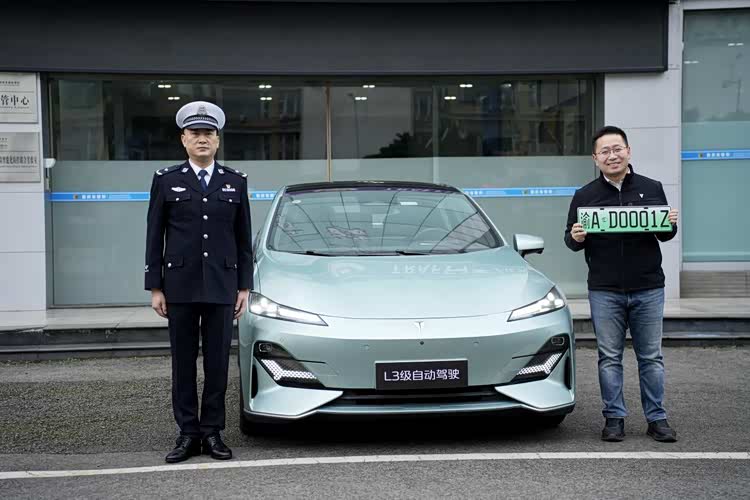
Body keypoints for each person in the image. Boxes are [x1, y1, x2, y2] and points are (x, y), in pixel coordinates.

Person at [145, 101, 252, 462]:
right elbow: (154, 235)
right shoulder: (166, 180)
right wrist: (155, 286)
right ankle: (188, 434)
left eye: (208, 133)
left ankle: (213, 432)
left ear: (217, 140)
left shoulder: (235, 181)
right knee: (183, 363)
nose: (202, 139)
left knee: (218, 362)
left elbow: (243, 238)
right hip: (180, 285)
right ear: (184, 139)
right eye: (195, 133)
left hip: (222, 285)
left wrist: (244, 286)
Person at [564, 125, 678, 443]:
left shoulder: (652, 188)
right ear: (595, 158)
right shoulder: (585, 196)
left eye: (617, 149)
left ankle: (657, 419)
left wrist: (670, 224)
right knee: (609, 357)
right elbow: (570, 240)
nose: (612, 155)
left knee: (651, 357)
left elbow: (665, 234)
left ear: (628, 151)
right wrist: (575, 237)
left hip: (648, 286)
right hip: (605, 290)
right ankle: (614, 418)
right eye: (605, 151)